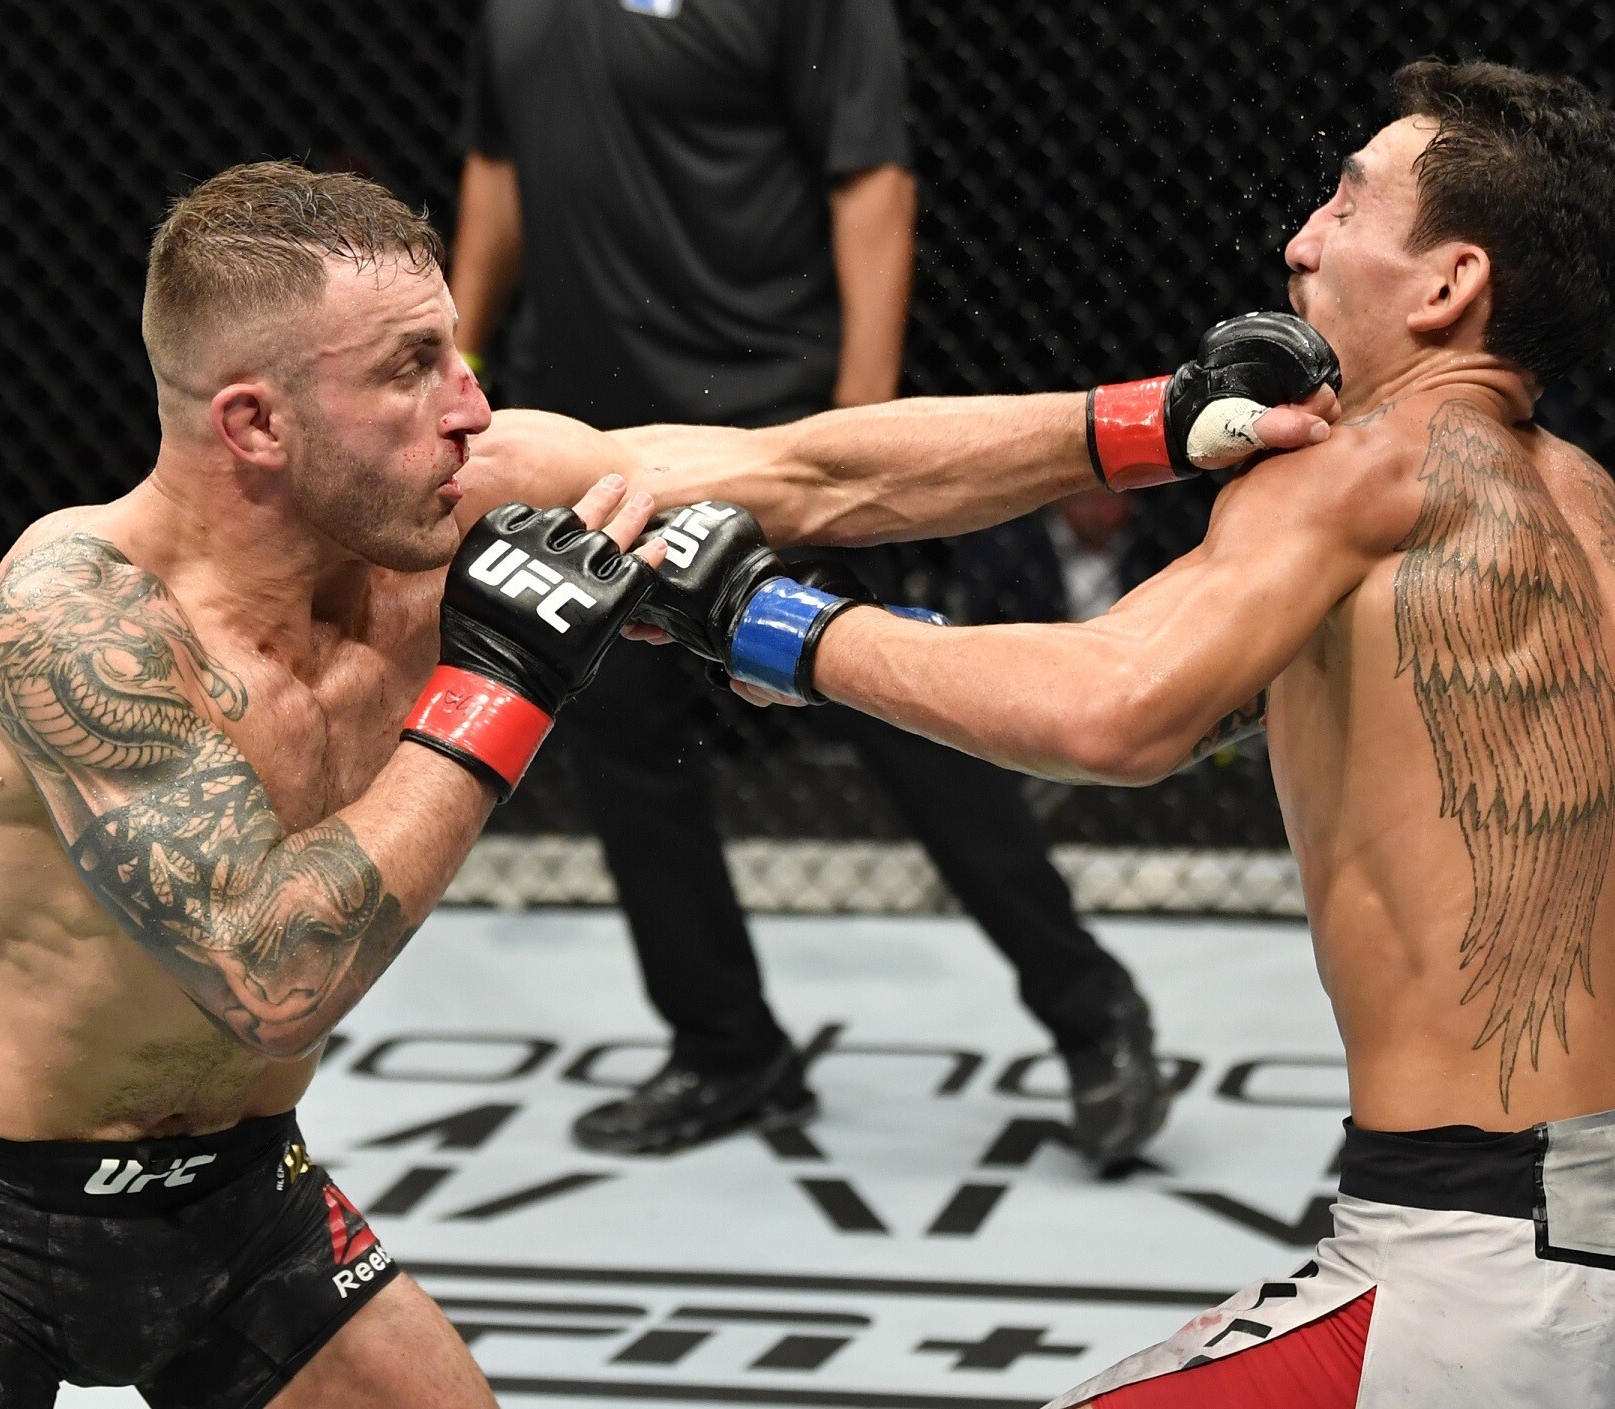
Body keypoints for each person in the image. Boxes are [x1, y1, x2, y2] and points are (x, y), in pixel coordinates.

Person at [466, 61, 1615, 1407]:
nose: (1298, 238)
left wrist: (765, 623)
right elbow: (820, 472)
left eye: (1344, 203)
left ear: (1446, 286)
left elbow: (1119, 708)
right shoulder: (1582, 494)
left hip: (1480, 1275)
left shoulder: (1355, 474)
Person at [0, 161, 667, 1409]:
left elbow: (808, 473)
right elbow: (270, 971)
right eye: (410, 366)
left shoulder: (440, 511)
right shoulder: (76, 616)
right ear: (256, 422)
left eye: (455, 354)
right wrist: (509, 681)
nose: (471, 407)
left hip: (247, 1205)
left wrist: (1064, 434)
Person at [449, 0, 1171, 1170]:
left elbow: (873, 184)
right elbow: (499, 163)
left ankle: (1089, 1007)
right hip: (586, 430)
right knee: (625, 746)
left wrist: (861, 429)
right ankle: (727, 1045)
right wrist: (462, 363)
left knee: (901, 712)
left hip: (773, 430)